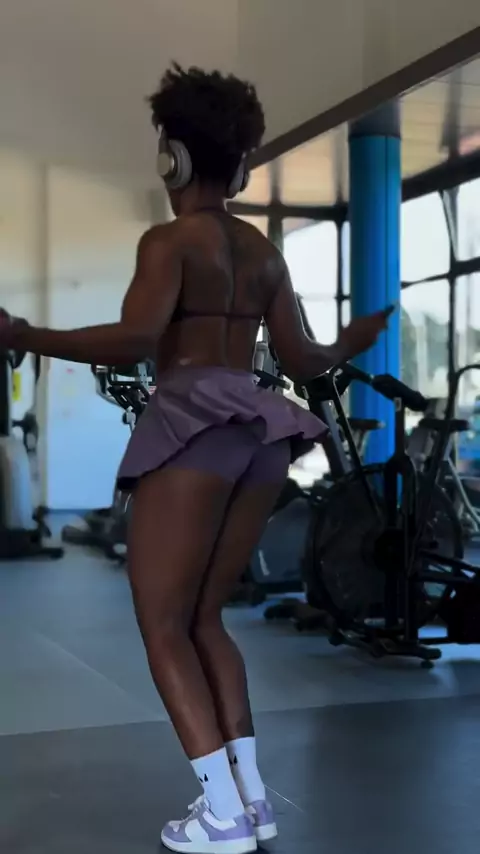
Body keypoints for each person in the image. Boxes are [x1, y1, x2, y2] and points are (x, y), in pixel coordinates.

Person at [0, 65, 392, 854]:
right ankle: (252, 801)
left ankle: (221, 816)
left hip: (194, 427)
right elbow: (304, 360)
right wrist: (351, 341)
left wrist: (24, 334)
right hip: (260, 435)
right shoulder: (264, 252)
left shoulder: (170, 241)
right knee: (205, 618)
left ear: (170, 158)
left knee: (162, 625)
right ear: (241, 164)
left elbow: (137, 340)